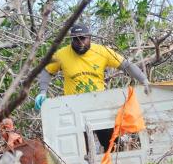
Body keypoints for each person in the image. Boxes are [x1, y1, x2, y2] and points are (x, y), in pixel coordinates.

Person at [35, 23, 150, 151]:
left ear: (89, 37)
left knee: (113, 147)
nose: (79, 42)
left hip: (98, 106)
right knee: (81, 151)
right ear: (71, 39)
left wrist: (144, 80)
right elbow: (47, 71)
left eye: (82, 38)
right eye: (75, 39)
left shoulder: (101, 51)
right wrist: (42, 92)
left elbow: (126, 65)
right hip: (74, 109)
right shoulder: (61, 55)